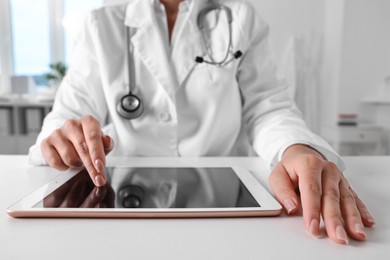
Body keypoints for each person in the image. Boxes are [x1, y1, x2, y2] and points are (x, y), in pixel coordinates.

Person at [29, 0, 374, 245]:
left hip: (227, 202)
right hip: (128, 207)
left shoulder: (239, 17)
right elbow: (64, 116)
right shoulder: (100, 25)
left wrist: (296, 148)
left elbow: (267, 106)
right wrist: (62, 138)